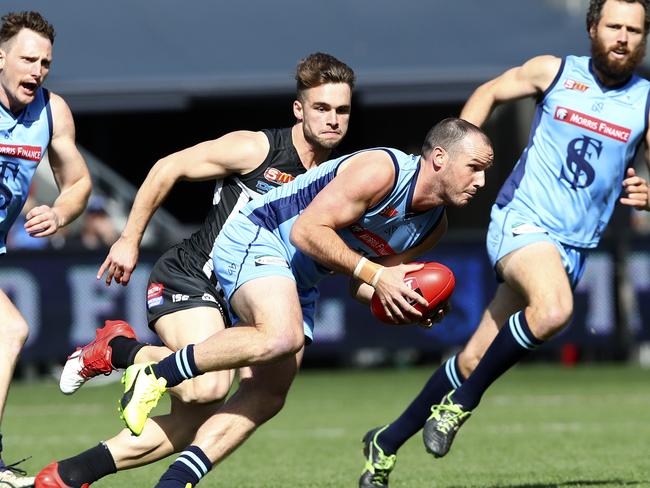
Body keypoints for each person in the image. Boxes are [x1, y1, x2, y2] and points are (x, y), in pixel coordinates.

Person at [358, 1, 650, 486]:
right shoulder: (553, 72)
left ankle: (385, 442)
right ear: (592, 28)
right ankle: (461, 406)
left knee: (473, 359)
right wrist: (458, 156)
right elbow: (490, 92)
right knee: (554, 311)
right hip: (523, 222)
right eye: (614, 26)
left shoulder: (644, 101)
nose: (623, 37)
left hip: (573, 248)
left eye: (634, 31)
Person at [35, 52, 355, 488]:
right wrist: (129, 239)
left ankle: (66, 476)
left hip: (246, 304)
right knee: (206, 388)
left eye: (342, 110)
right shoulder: (258, 148)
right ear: (298, 109)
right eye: (322, 108)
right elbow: (168, 167)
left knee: (202, 417)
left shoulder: (341, 179)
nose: (333, 119)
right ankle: (120, 350)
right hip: (192, 278)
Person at [117, 117, 493, 487]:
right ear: (440, 158)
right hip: (260, 233)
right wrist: (379, 277)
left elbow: (362, 286)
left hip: (299, 275)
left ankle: (173, 482)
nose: (481, 182)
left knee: (268, 392)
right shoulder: (382, 170)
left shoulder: (432, 225)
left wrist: (406, 299)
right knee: (283, 336)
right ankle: (154, 373)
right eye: (474, 168)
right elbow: (305, 231)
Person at [0, 11, 92, 487]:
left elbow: (78, 182)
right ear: (0, 56)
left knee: (8, 332)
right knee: (9, 330)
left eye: (46, 63)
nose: (37, 70)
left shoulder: (52, 111)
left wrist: (59, 213)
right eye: (28, 59)